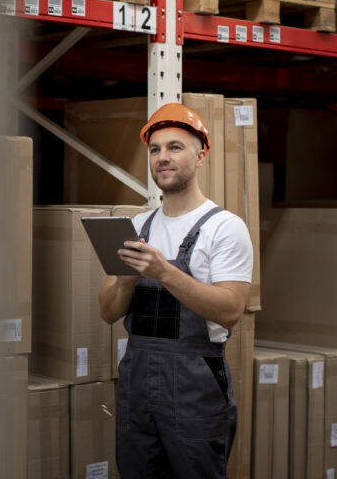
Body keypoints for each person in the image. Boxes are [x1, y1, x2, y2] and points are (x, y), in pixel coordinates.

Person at [98, 102, 253, 479]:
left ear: (201, 156)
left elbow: (231, 309)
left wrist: (164, 272)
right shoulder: (136, 225)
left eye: (175, 147)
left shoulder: (225, 228)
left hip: (194, 385)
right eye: (155, 150)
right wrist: (125, 281)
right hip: (137, 385)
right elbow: (108, 311)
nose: (162, 158)